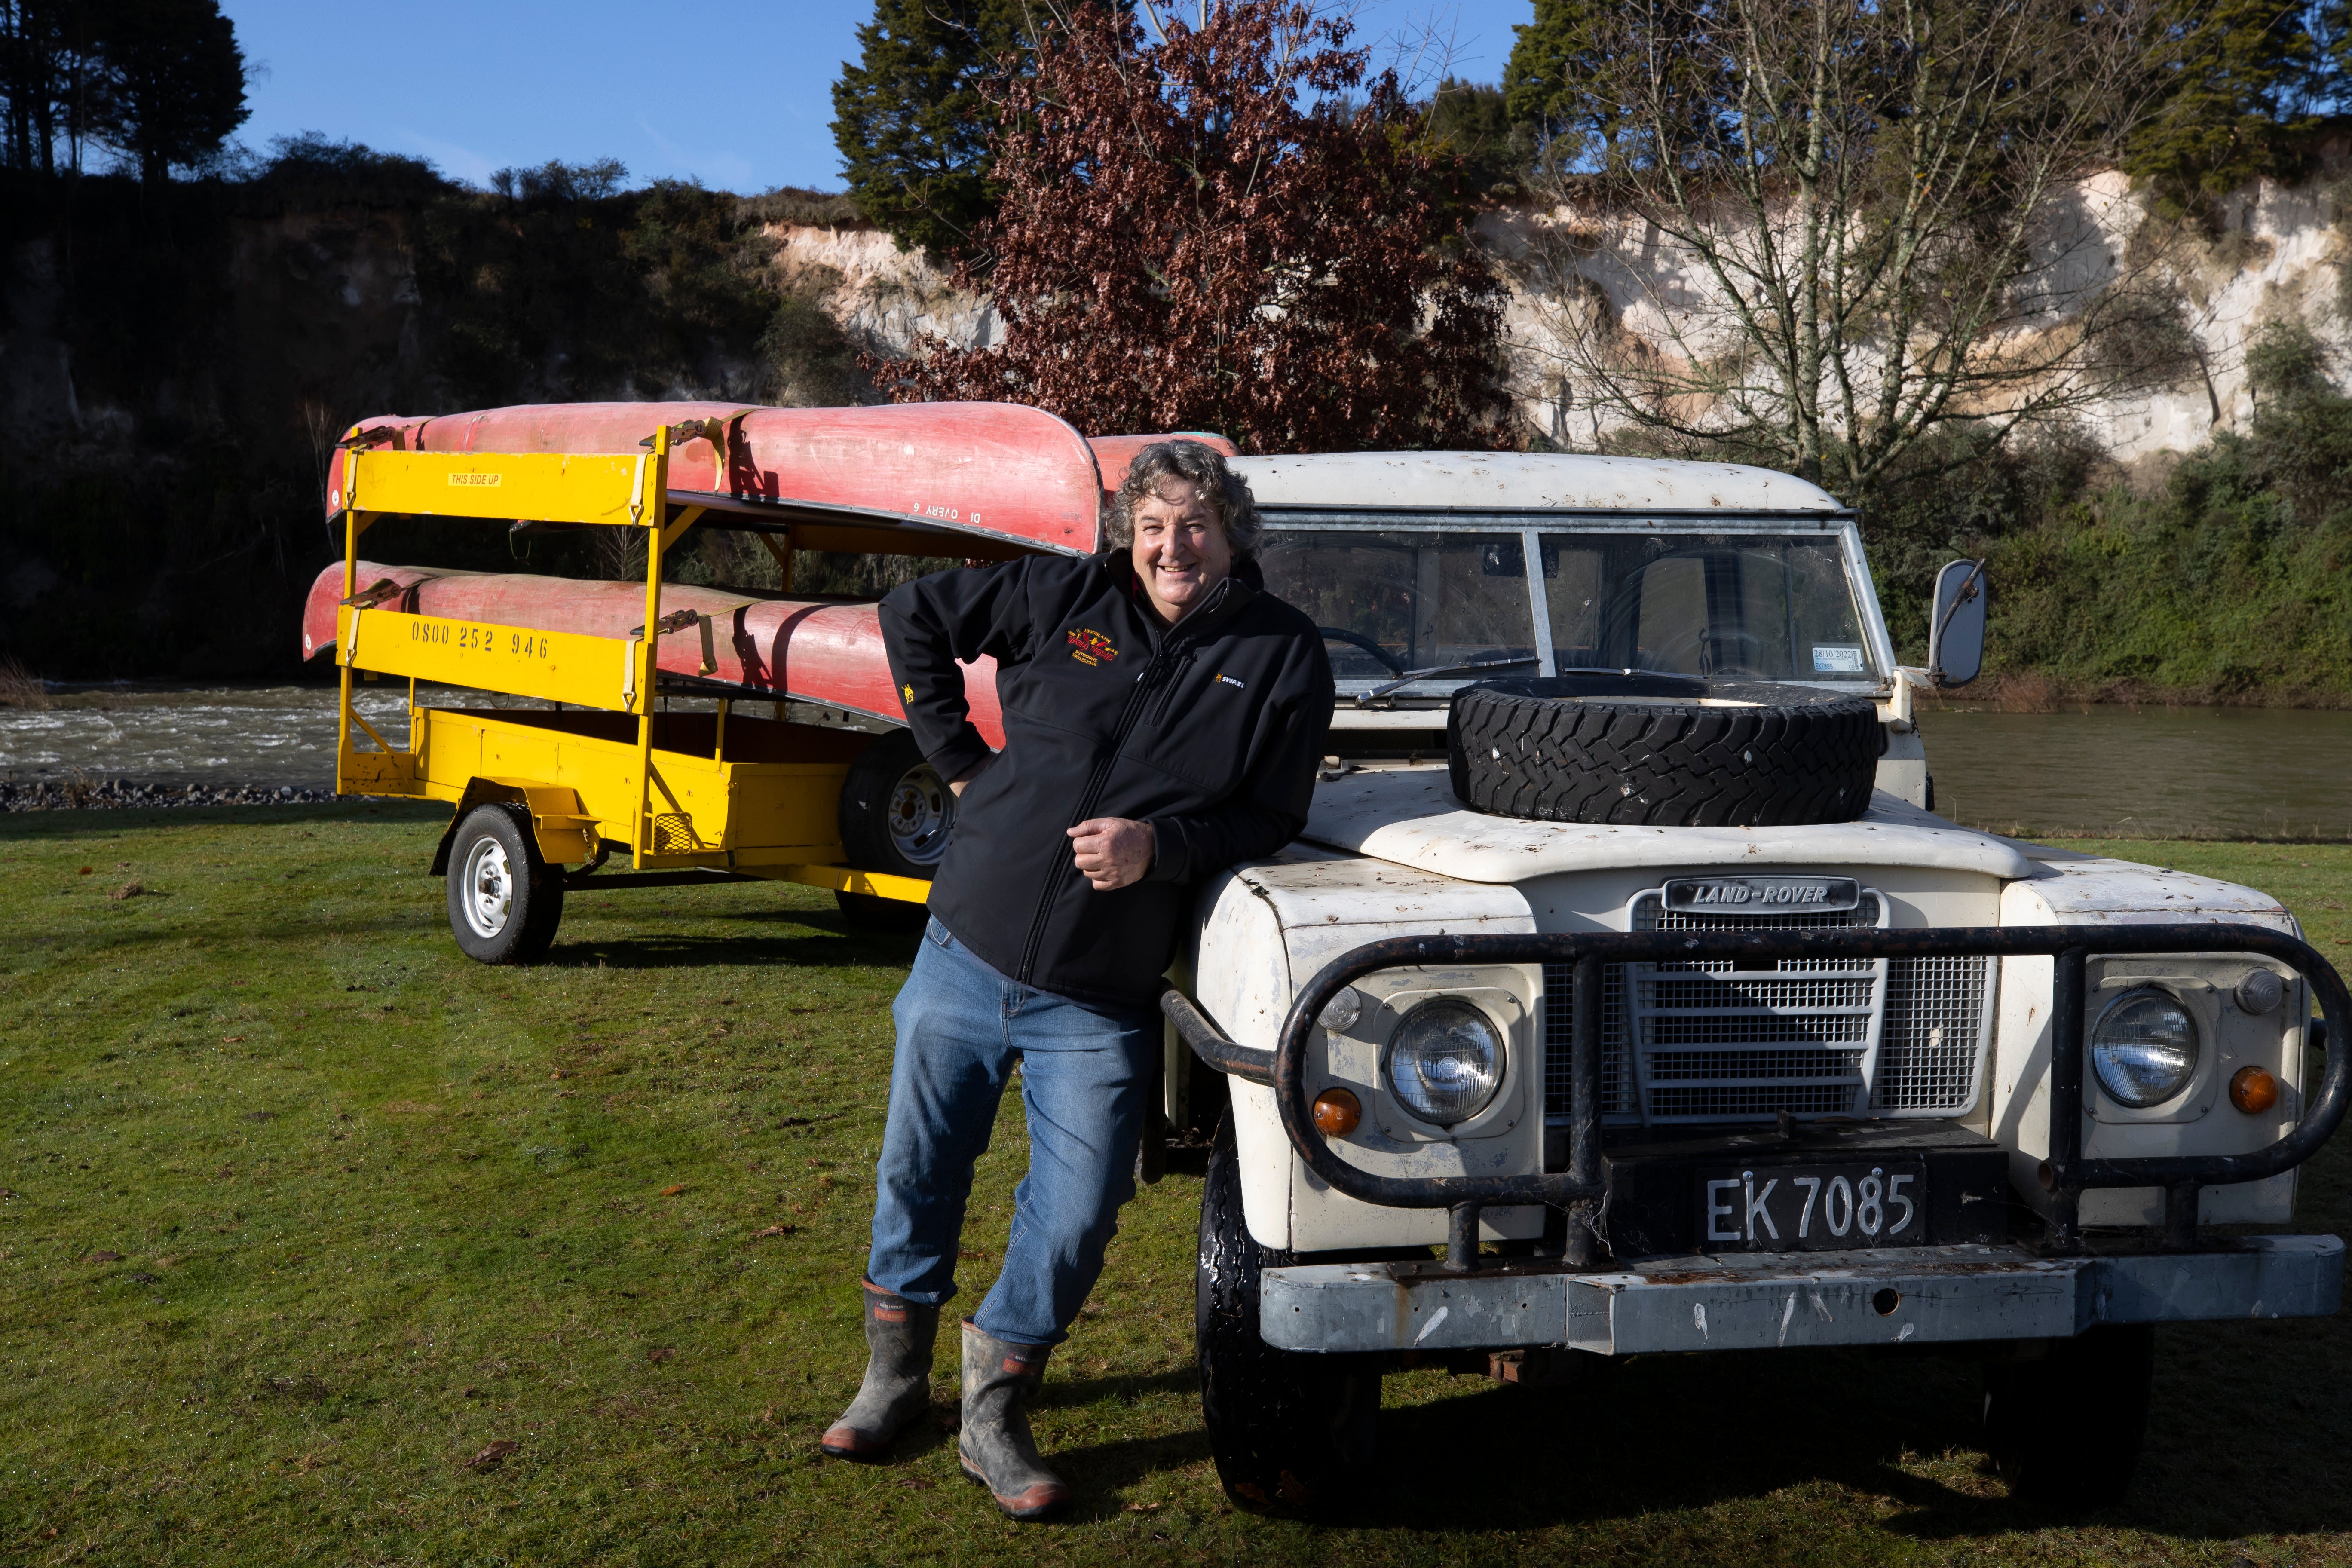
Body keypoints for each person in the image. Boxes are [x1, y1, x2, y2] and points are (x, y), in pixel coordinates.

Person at [818, 440, 1335, 1520]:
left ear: (1231, 530)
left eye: (1193, 522)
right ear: (1126, 534)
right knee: (919, 1169)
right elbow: (914, 612)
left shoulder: (1282, 655)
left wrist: (1163, 847)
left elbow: (1272, 816)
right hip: (964, 946)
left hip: (1100, 993)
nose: (1170, 545)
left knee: (1079, 1207)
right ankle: (893, 1376)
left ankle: (994, 1411)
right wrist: (958, 760)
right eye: (1151, 524)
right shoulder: (1063, 594)